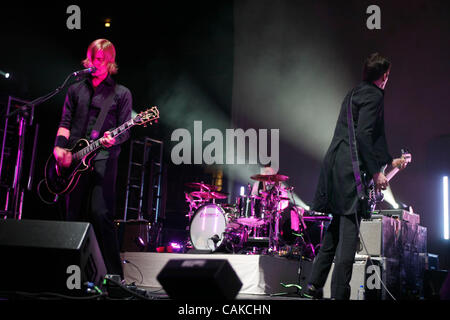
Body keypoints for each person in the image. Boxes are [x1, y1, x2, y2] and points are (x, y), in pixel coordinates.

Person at [306, 53, 407, 300]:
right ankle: (340, 294)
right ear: (384, 77)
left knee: (337, 227)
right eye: (388, 76)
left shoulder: (353, 93)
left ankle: (314, 284)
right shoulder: (374, 95)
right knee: (349, 236)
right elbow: (364, 136)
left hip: (335, 167)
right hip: (349, 171)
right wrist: (375, 172)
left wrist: (387, 161)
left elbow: (368, 137)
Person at [53, 39, 132, 279]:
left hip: (104, 159)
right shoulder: (76, 89)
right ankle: (68, 277)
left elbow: (126, 130)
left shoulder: (121, 94)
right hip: (73, 160)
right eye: (93, 59)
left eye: (101, 60)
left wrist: (112, 139)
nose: (96, 64)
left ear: (110, 63)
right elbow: (65, 123)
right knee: (72, 216)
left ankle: (115, 278)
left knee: (100, 213)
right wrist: (59, 149)